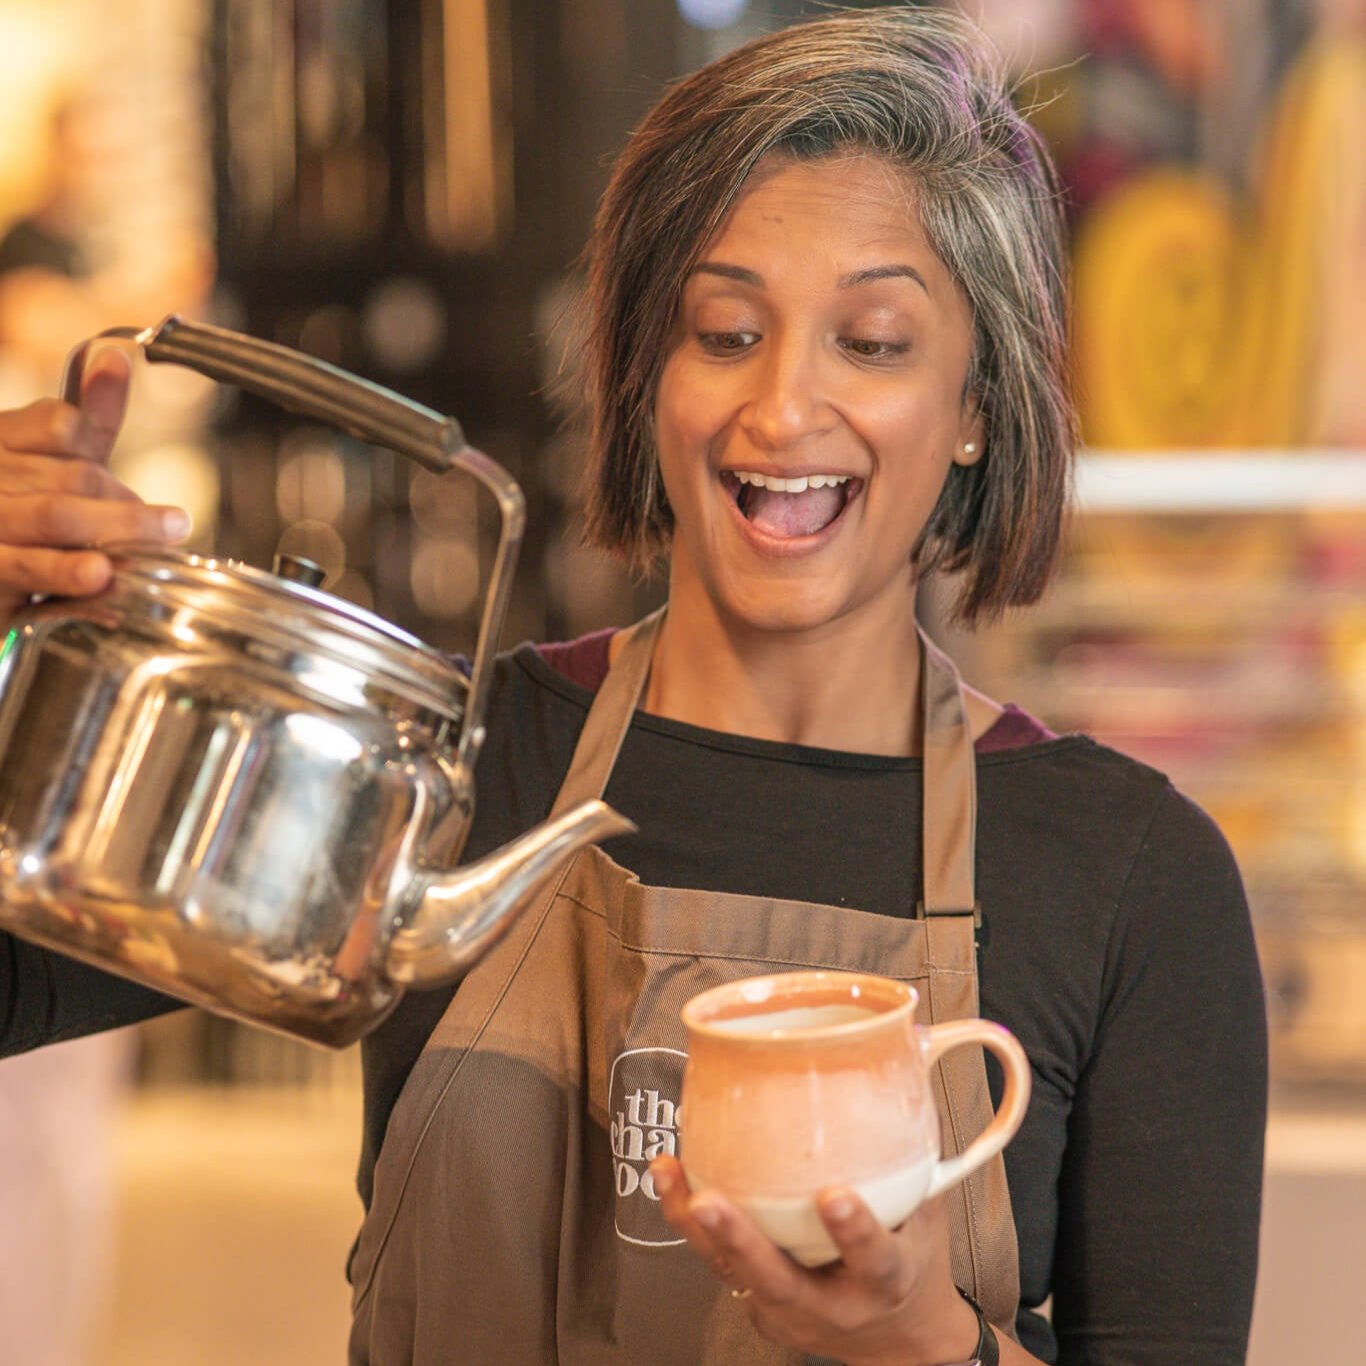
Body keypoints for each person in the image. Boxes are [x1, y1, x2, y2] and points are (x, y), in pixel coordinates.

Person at [0, 10, 1266, 1365]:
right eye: (722, 330)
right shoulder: (454, 767)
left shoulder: (1129, 878)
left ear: (972, 404)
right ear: (641, 375)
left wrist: (922, 1347)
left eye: (874, 341)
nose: (781, 408)